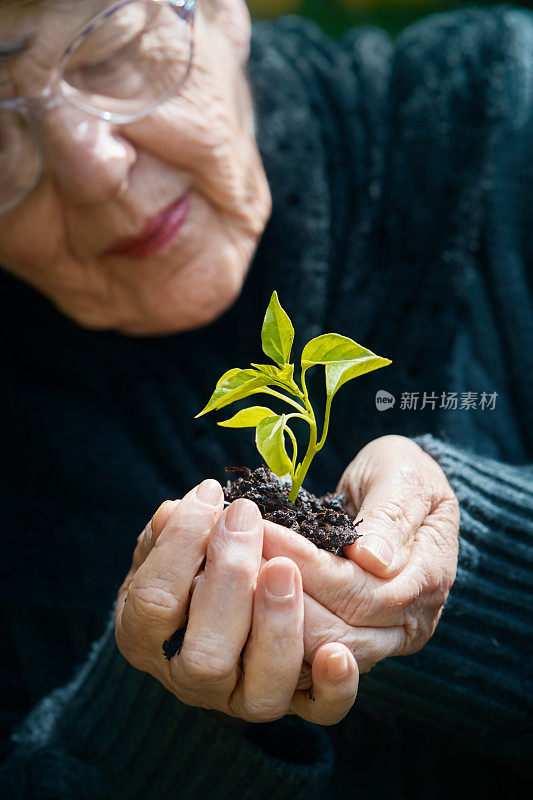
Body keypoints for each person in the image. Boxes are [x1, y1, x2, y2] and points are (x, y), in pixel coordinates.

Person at [0, 0, 531, 797]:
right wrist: (144, 713)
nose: (94, 164)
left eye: (110, 52)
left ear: (221, 9)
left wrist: (481, 564)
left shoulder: (505, 119)